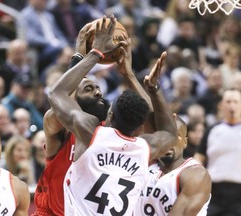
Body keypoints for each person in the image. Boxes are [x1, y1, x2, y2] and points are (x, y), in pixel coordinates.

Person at [47, 15, 178, 215]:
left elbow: (57, 93)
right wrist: (146, 85)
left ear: (110, 114)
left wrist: (93, 53)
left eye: (97, 88)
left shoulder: (89, 131)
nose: (98, 92)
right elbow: (168, 131)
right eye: (89, 88)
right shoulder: (144, 147)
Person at [134, 116, 211, 216]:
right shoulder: (145, 164)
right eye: (166, 137)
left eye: (175, 136)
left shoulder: (196, 174)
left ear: (185, 142)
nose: (170, 142)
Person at [194, 88, 241, 216]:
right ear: (221, 105)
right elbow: (199, 155)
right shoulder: (212, 130)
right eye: (228, 101)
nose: (232, 105)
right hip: (213, 192)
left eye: (236, 102)